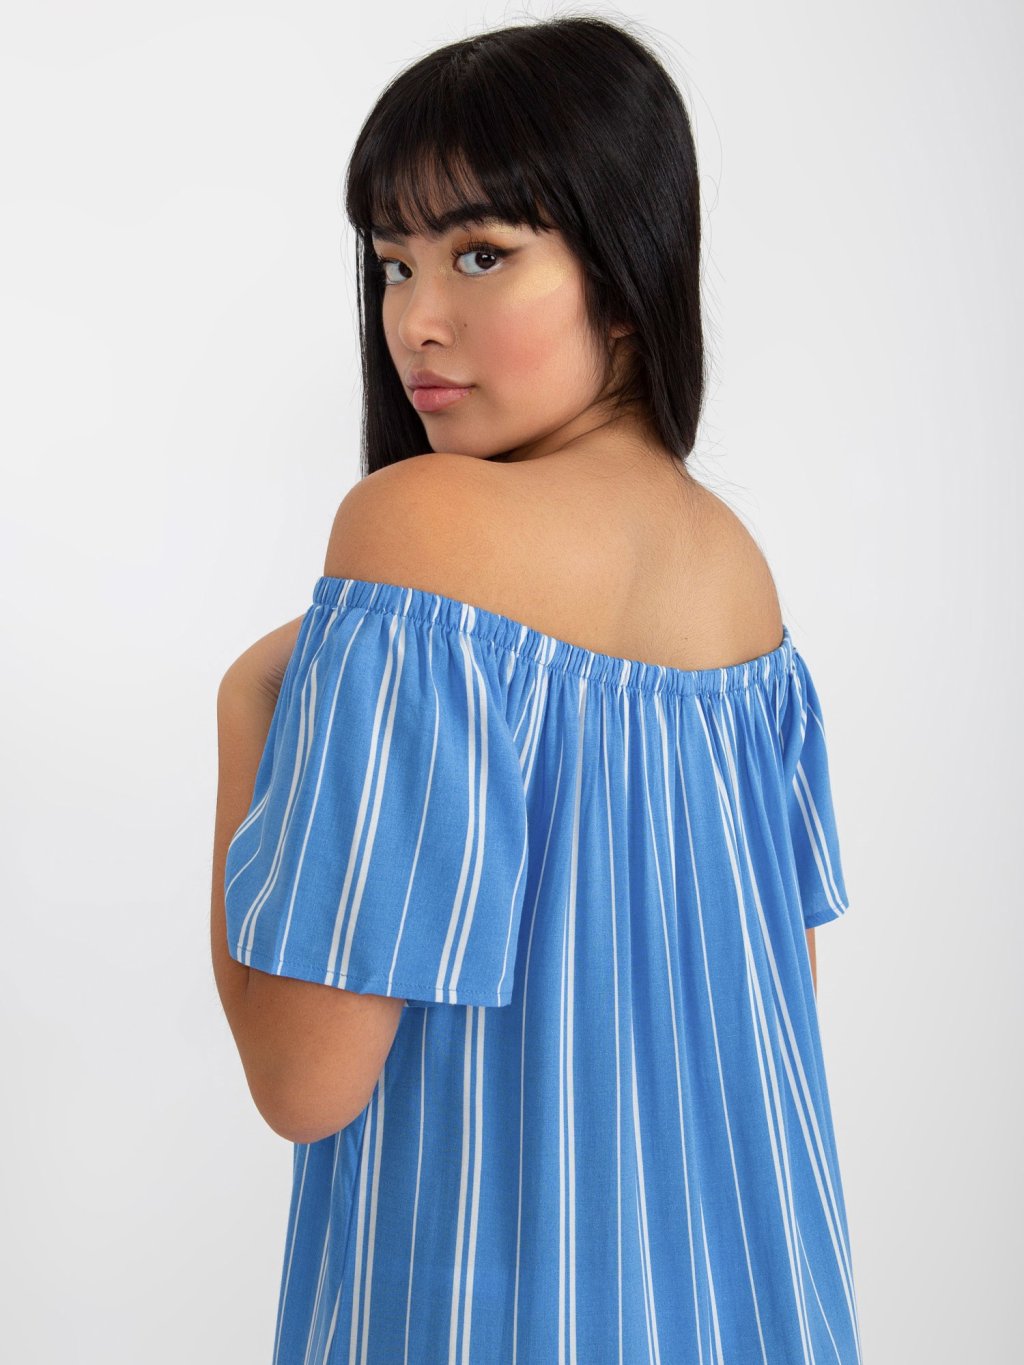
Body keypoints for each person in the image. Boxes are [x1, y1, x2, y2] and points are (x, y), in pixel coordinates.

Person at [211, 14, 863, 1362]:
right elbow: (772, 1022)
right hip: (755, 1311)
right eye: (392, 262)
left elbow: (301, 1081)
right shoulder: (739, 577)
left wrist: (244, 711)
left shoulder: (418, 529)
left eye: (482, 253)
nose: (415, 319)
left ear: (624, 270)